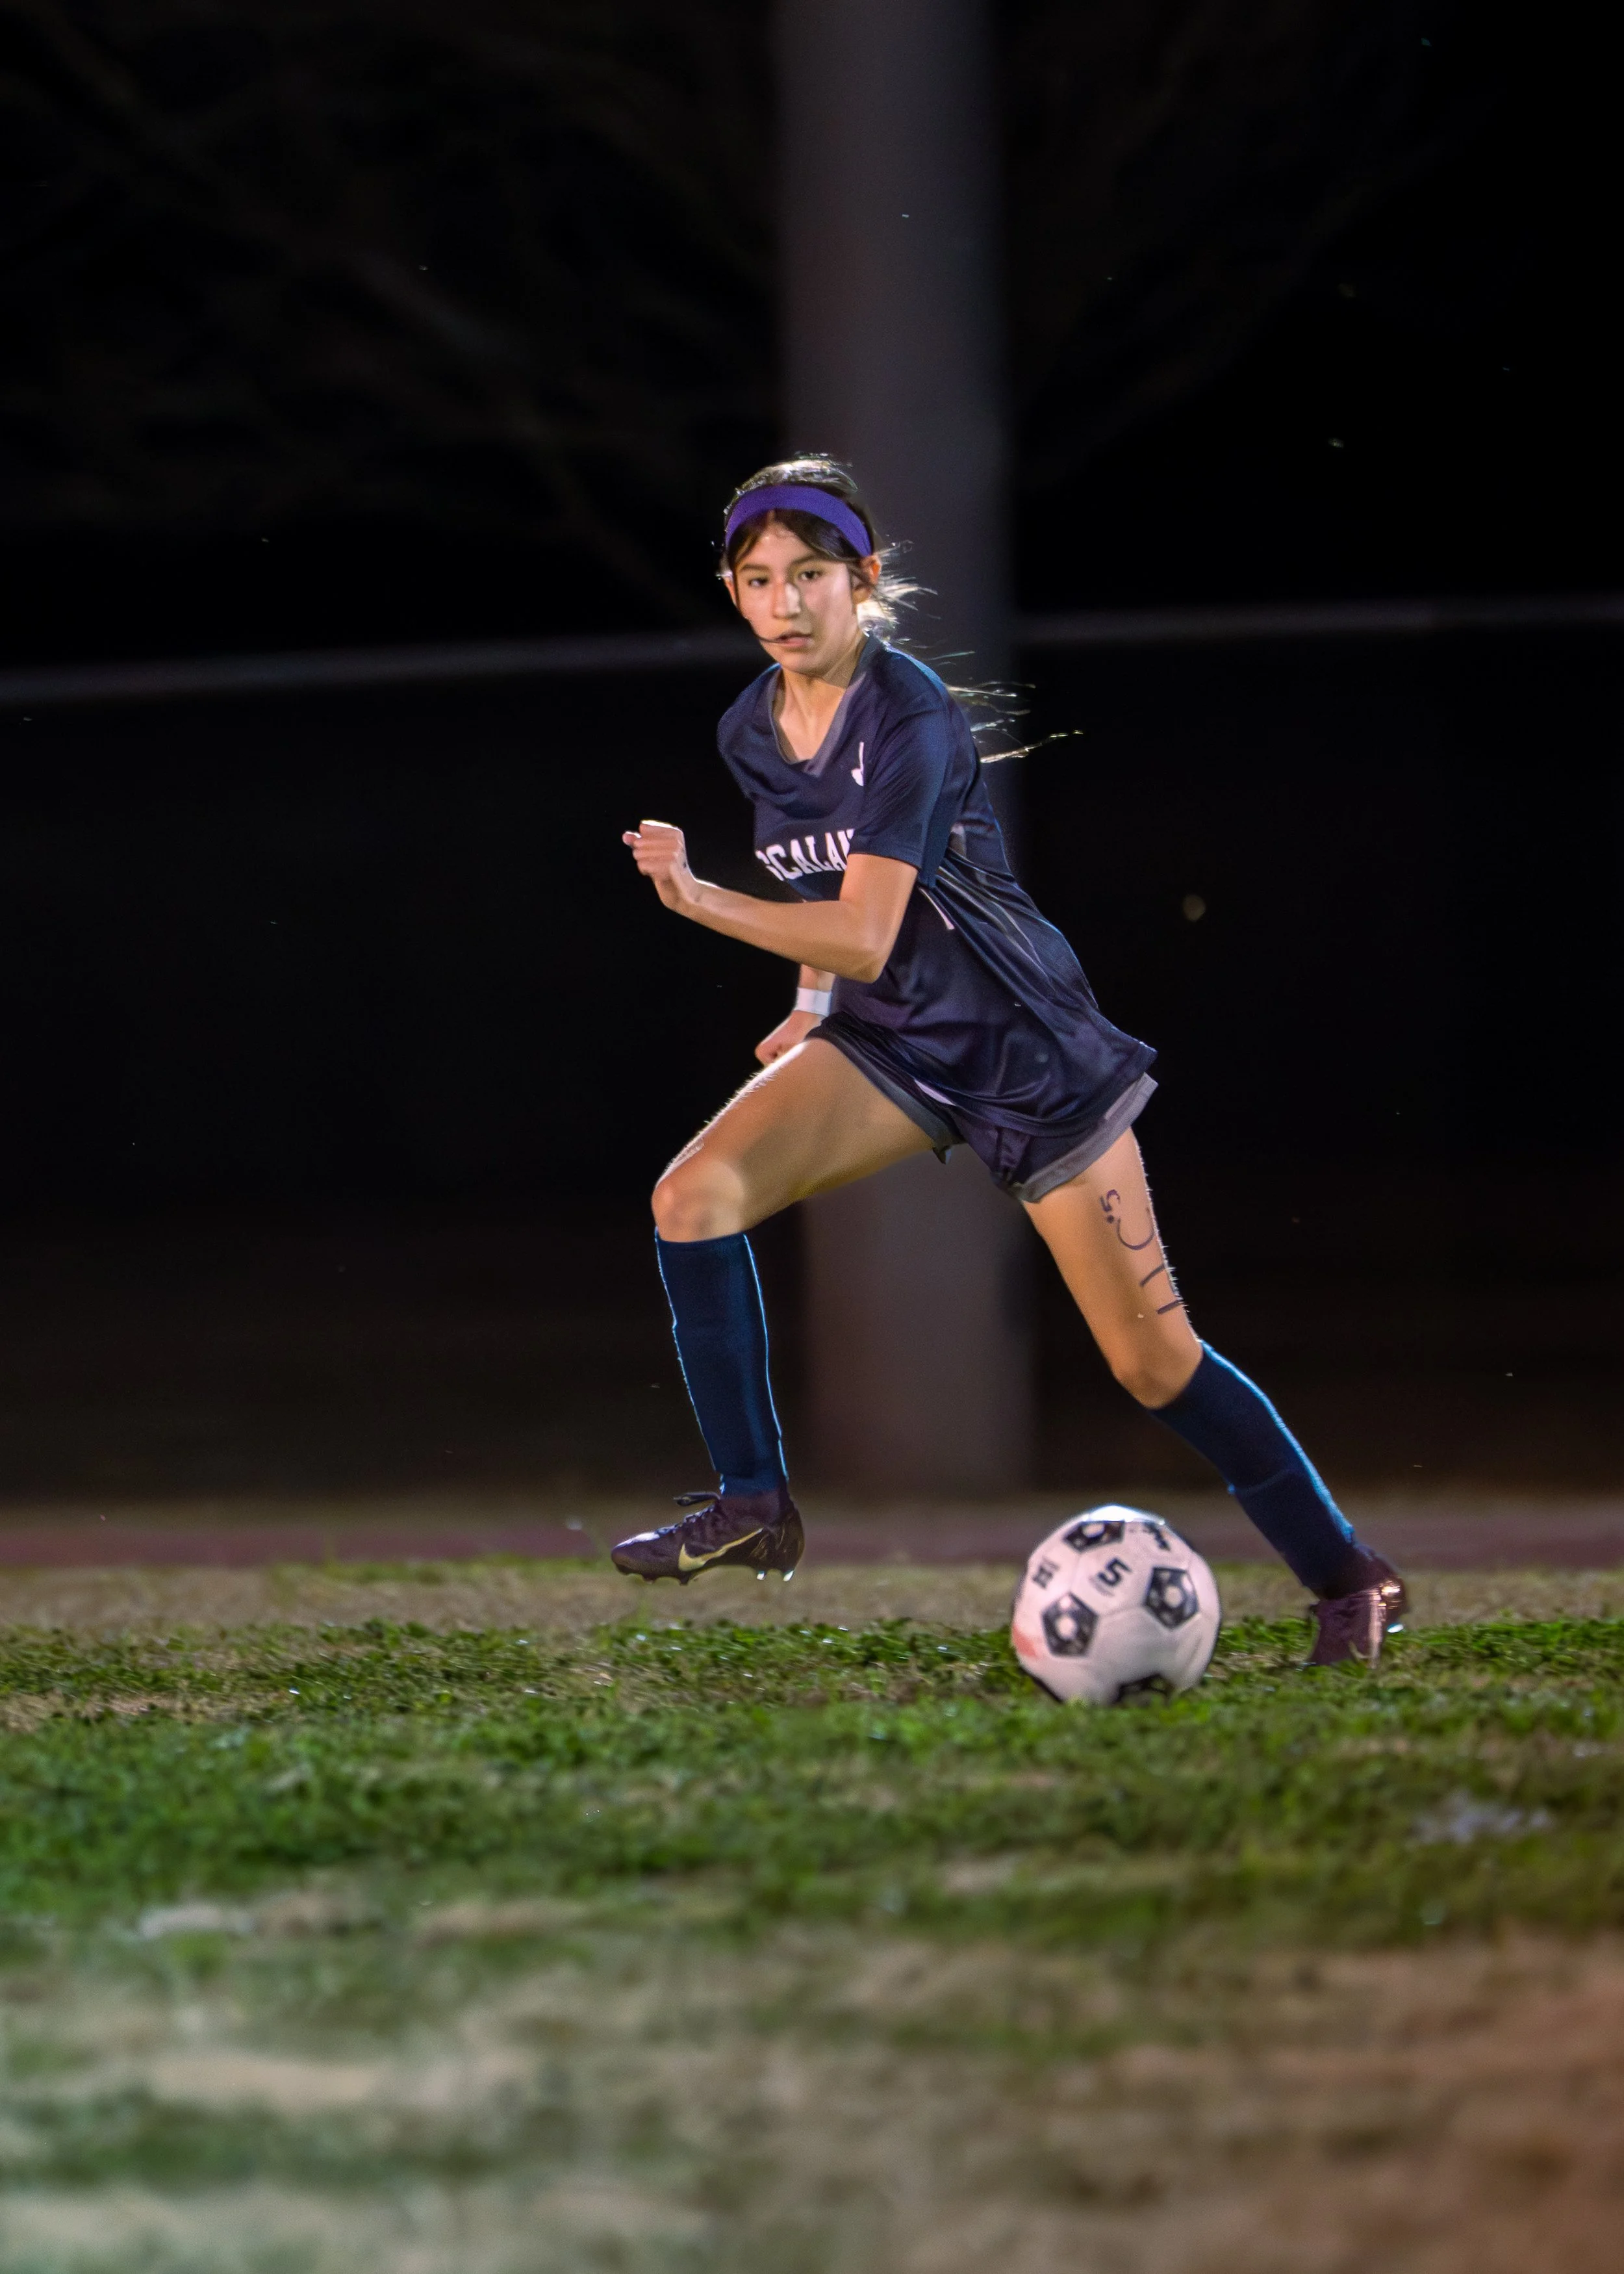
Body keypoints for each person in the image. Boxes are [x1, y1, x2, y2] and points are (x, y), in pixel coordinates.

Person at [612, 457, 1405, 1667]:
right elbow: (826, 893)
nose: (787, 602)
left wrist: (695, 896)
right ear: (733, 592)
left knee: (1153, 1364)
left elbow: (867, 928)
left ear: (864, 579)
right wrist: (811, 1004)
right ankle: (753, 1501)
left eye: (812, 574)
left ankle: (1351, 1578)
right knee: (691, 1197)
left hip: (1026, 1049)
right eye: (759, 579)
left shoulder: (911, 711)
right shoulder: (749, 727)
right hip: (889, 1040)